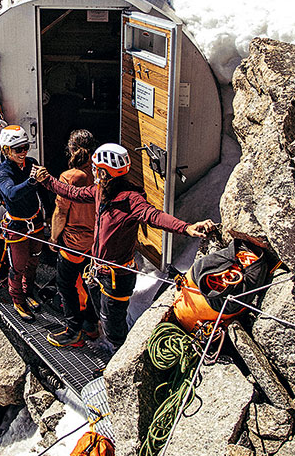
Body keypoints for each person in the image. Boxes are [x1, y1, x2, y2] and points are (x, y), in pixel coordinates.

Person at [33, 143, 214, 351]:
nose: (93, 171)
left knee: (113, 325)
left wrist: (186, 228)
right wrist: (47, 181)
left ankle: (116, 357)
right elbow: (74, 193)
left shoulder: (131, 199)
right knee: (102, 313)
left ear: (103, 172)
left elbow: (153, 216)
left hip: (117, 277)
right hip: (99, 271)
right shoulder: (101, 191)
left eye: (95, 168)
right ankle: (101, 338)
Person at [46, 129, 100, 348]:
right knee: (87, 283)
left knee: (66, 284)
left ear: (71, 149)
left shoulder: (70, 177)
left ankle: (73, 331)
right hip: (94, 242)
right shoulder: (99, 174)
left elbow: (60, 213)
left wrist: (53, 237)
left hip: (73, 242)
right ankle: (91, 325)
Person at [0, 125, 45, 321]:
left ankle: (28, 291)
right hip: (17, 225)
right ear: (7, 150)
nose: (23, 152)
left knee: (34, 260)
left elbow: (41, 190)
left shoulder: (31, 163)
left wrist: (48, 213)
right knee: (18, 265)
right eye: (18, 149)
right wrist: (32, 181)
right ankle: (18, 300)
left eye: (25, 147)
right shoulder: (3, 172)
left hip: (36, 220)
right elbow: (11, 194)